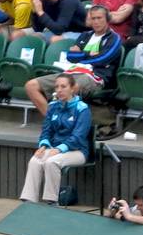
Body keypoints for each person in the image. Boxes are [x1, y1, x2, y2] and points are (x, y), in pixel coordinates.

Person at [26, 5, 121, 113]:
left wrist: (80, 56)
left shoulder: (114, 38)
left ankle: (62, 122)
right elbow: (70, 56)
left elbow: (103, 59)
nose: (96, 22)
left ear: (107, 19)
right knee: (31, 86)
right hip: (72, 72)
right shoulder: (85, 35)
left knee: (68, 89)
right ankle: (52, 120)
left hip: (94, 77)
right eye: (93, 18)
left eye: (99, 18)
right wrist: (88, 53)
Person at [21, 73, 94, 203]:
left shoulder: (82, 109)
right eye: (57, 87)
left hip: (77, 151)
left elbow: (78, 136)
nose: (59, 90)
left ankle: (51, 201)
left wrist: (61, 149)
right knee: (35, 160)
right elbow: (46, 130)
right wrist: (43, 146)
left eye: (63, 86)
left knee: (51, 162)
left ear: (72, 89)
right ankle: (29, 200)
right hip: (55, 149)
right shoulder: (53, 107)